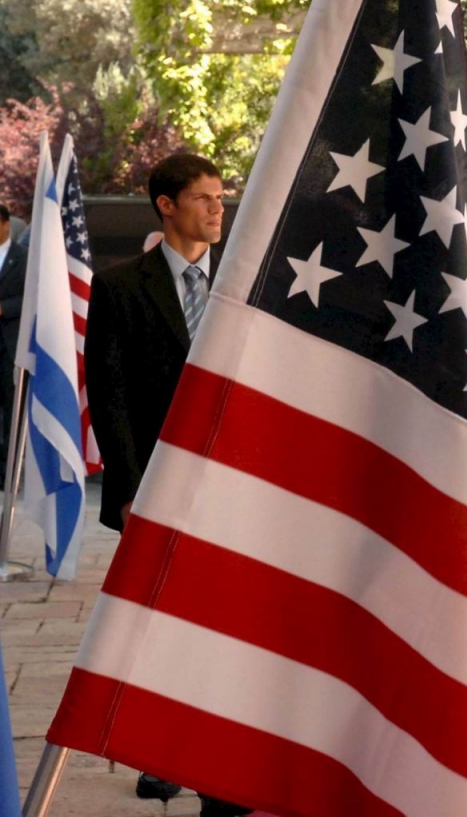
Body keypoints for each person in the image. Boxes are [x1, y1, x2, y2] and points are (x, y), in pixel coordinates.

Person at [85, 154, 251, 817]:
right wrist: (129, 492)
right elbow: (110, 397)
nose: (217, 208)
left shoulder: (244, 284)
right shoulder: (121, 287)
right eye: (204, 197)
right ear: (166, 205)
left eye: (221, 197)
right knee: (161, 626)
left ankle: (223, 763)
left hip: (235, 487)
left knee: (227, 625)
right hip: (157, 486)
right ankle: (162, 751)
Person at [0, 204, 27, 483]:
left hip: (9, 345)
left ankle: (6, 473)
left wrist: (3, 308)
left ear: (6, 224)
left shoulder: (23, 257)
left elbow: (30, 296)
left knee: (11, 409)